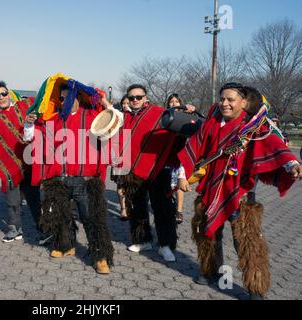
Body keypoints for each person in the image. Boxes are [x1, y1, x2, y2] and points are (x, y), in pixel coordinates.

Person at [178, 82, 301, 299]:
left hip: (240, 191)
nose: (225, 103)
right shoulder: (211, 123)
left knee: (246, 240)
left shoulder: (253, 126)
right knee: (207, 233)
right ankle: (210, 271)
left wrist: (291, 164)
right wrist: (181, 174)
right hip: (212, 187)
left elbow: (273, 144)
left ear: (243, 103)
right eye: (222, 99)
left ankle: (256, 287)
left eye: (230, 100)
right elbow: (194, 146)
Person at [24, 81, 114, 274]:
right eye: (61, 98)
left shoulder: (93, 117)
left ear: (77, 98)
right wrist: (29, 123)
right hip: (60, 178)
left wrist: (106, 104)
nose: (63, 101)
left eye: (67, 98)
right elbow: (33, 137)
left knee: (91, 217)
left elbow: (114, 124)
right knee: (62, 215)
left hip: (86, 179)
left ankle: (100, 256)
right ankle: (66, 245)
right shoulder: (54, 120)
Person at [112, 85, 188, 262]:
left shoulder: (160, 113)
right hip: (133, 171)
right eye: (132, 98)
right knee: (137, 207)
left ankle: (166, 245)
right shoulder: (125, 118)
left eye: (139, 97)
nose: (135, 101)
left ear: (145, 97)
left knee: (162, 209)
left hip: (158, 169)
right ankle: (142, 239)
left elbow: (178, 133)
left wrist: (187, 114)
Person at [0, 81, 45, 244]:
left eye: (4, 93)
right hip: (10, 168)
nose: (2, 97)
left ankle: (43, 228)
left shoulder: (25, 106)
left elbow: (44, 104)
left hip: (30, 163)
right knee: (13, 201)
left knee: (34, 198)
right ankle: (14, 228)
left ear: (9, 93)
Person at [165, 93, 188, 225]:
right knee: (168, 184)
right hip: (167, 156)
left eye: (176, 101)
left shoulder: (186, 116)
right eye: (171, 101)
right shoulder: (166, 116)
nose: (174, 103)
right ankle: (169, 205)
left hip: (181, 156)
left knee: (179, 183)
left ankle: (179, 210)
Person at [111, 95, 130, 221]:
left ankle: (128, 206)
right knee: (120, 184)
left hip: (131, 155)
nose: (126, 105)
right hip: (118, 154)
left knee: (130, 184)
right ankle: (123, 208)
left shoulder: (136, 118)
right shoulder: (118, 117)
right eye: (123, 103)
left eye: (127, 103)